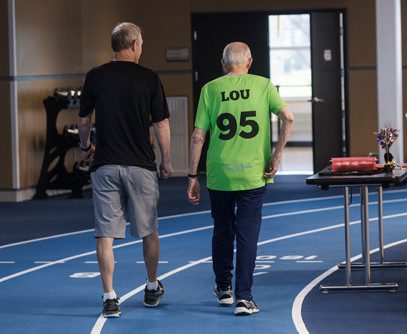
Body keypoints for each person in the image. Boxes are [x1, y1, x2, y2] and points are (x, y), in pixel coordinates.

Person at [187, 41, 294, 316]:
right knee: (247, 235)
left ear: (223, 64)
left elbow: (198, 136)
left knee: (222, 229)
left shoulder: (210, 89)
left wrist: (191, 175)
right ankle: (244, 298)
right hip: (253, 172)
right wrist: (278, 154)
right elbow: (288, 118)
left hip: (220, 173)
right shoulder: (263, 85)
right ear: (249, 61)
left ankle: (223, 287)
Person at [78, 22, 173, 318]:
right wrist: (167, 159)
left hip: (105, 164)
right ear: (133, 45)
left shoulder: (95, 77)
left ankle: (109, 296)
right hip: (141, 166)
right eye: (141, 43)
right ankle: (150, 285)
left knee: (105, 234)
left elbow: (84, 120)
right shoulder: (149, 78)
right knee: (149, 231)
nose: (142, 47)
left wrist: (85, 147)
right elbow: (160, 124)